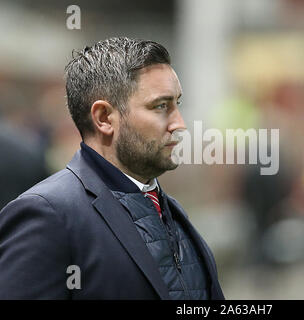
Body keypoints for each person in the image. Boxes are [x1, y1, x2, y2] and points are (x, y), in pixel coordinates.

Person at [0, 37, 224, 300]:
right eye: (161, 106)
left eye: (177, 104)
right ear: (104, 118)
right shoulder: (47, 214)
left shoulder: (172, 211)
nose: (179, 123)